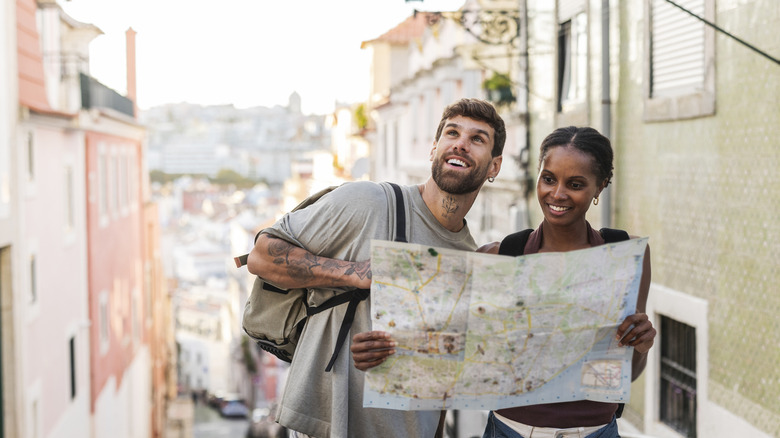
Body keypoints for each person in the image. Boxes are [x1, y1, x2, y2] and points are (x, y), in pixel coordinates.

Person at [351, 126, 656, 438]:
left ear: (600, 186)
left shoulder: (624, 257)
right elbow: (447, 356)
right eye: (548, 178)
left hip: (596, 432)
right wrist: (379, 355)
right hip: (510, 431)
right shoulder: (500, 257)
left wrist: (642, 347)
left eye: (575, 184)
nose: (557, 194)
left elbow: (625, 372)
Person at [247, 98, 506, 438]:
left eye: (478, 139)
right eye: (452, 132)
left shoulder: (467, 257)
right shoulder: (368, 202)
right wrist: (357, 274)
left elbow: (443, 378)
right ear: (434, 148)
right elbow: (262, 256)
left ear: (494, 167)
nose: (460, 143)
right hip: (333, 423)